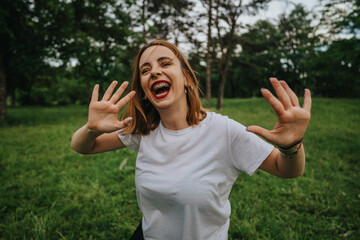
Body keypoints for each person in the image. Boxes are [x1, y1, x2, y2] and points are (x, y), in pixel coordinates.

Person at [70, 39, 312, 240]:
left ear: (186, 77)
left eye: (165, 63)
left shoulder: (224, 130)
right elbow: (82, 146)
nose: (154, 71)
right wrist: (91, 128)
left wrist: (292, 145)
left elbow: (287, 170)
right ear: (144, 88)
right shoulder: (144, 129)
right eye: (145, 70)